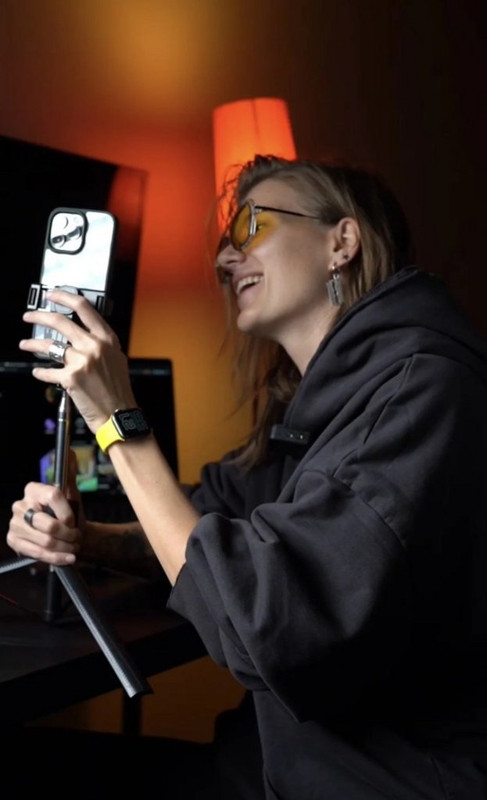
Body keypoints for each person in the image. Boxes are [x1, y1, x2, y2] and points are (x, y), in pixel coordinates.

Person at [6, 154, 487, 799]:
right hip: (271, 763)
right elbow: (211, 520)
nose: (224, 261)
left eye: (251, 226)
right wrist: (87, 539)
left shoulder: (422, 392)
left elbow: (262, 626)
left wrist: (117, 419)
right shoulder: (321, 407)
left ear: (341, 242)